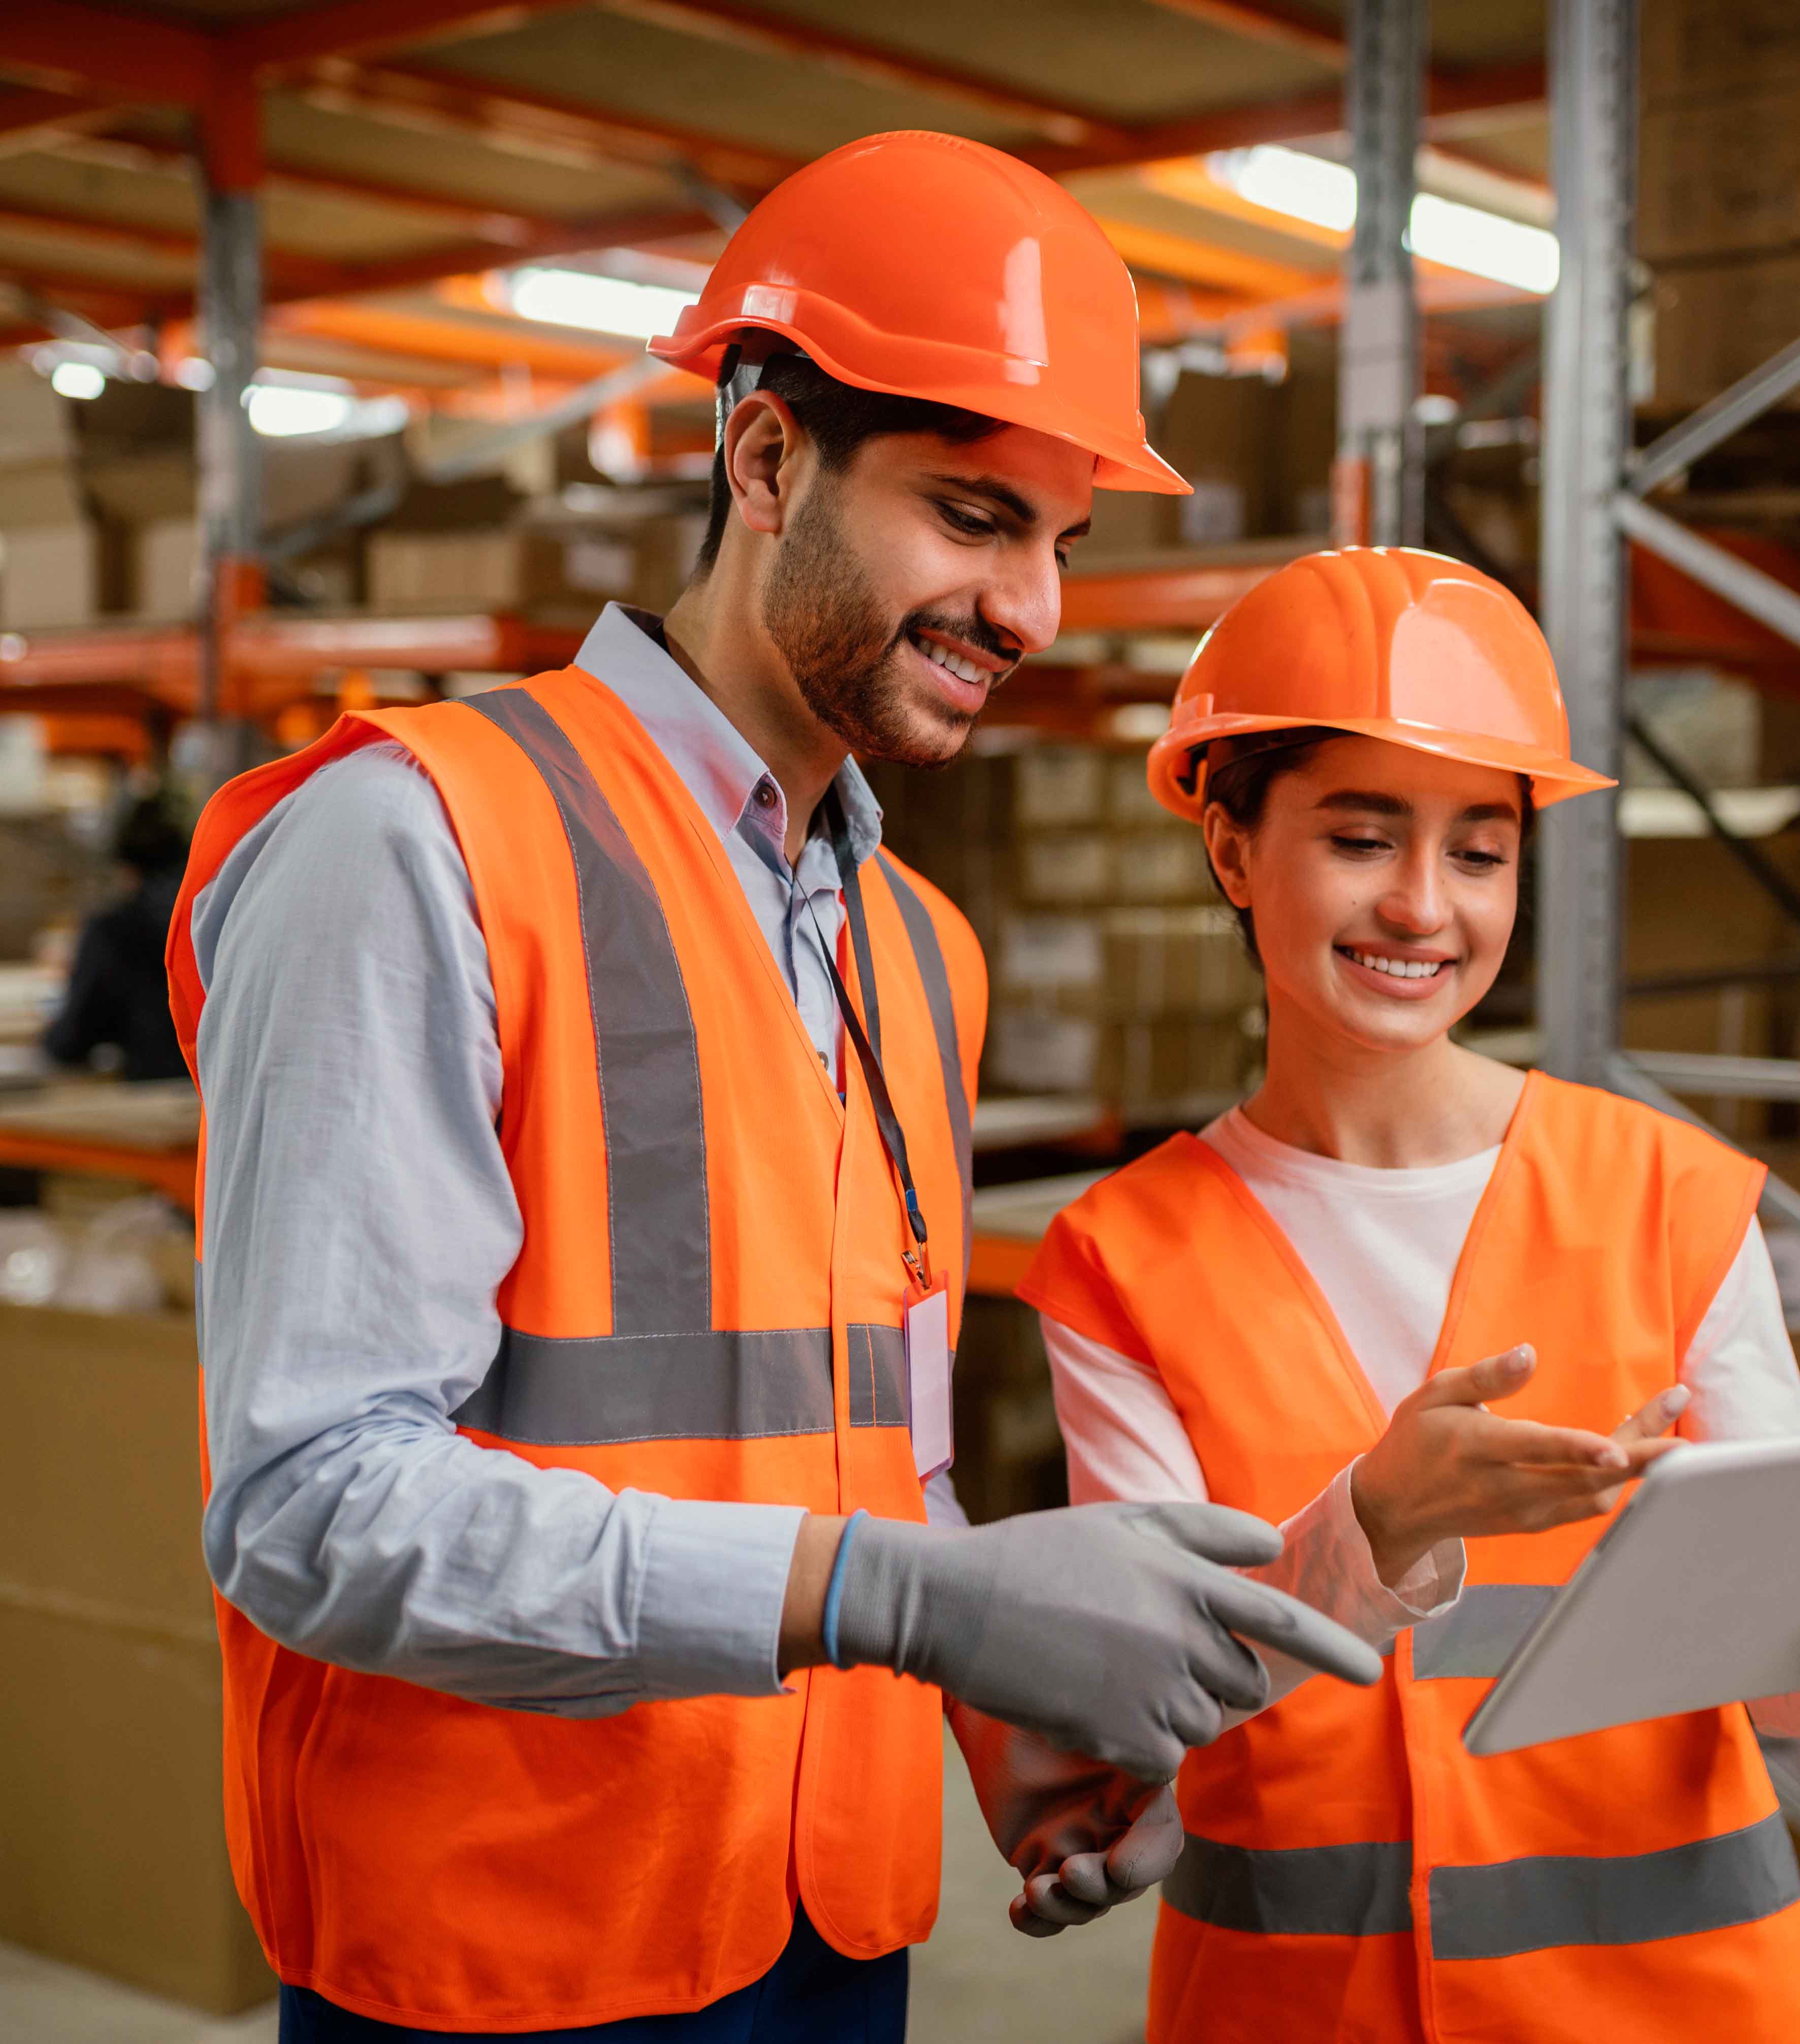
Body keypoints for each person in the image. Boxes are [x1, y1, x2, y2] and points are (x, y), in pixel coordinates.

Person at [163, 134, 1399, 2044]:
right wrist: (910, 1601)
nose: (1035, 611)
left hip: (830, 1931)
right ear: (761, 459)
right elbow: (314, 1503)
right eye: (976, 517)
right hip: (506, 1950)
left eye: (1062, 544)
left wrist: (993, 1708)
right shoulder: (415, 841)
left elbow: (852, 1446)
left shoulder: (914, 942)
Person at [1019, 547, 1800, 2043]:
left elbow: (1790, 1667)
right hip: (1307, 2011)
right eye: (1362, 839)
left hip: (1681, 2008)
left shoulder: (1669, 1198)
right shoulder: (1121, 1259)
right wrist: (1381, 1521)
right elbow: (1141, 1703)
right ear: (1231, 851)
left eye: (1479, 853)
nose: (1423, 907)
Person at [43, 792, 190, 1081]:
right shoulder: (215, 920)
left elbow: (71, 1041)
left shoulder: (112, 931)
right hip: (216, 1100)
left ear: (127, 870)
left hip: (149, 1099)